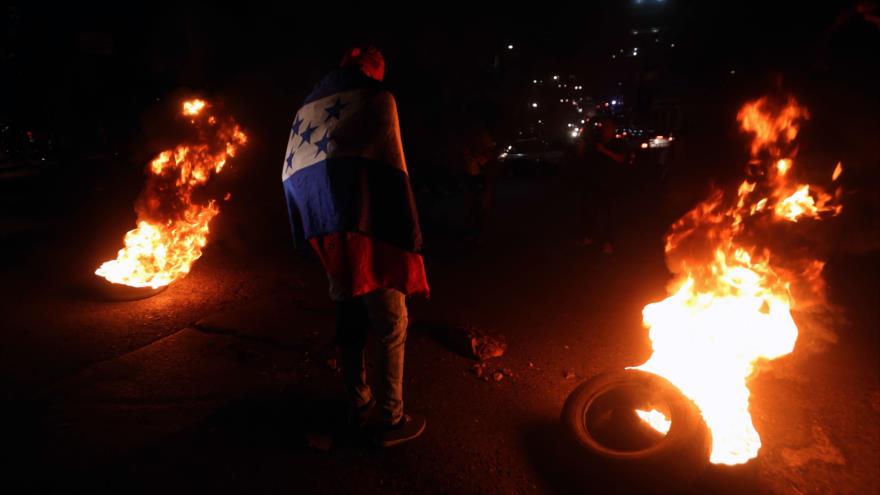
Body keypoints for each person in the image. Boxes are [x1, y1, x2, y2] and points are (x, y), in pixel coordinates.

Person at [281, 44, 429, 446]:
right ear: (374, 71)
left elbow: (292, 175)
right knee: (391, 325)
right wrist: (405, 231)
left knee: (349, 322)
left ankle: (357, 400)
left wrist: (311, 224)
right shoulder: (378, 99)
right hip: (369, 233)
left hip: (329, 236)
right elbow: (389, 170)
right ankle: (389, 417)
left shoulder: (307, 109)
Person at [577, 117, 629, 254]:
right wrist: (582, 147)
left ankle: (609, 242)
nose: (605, 131)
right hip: (595, 185)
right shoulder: (596, 144)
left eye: (608, 128)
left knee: (610, 216)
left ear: (612, 130)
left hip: (612, 186)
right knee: (590, 212)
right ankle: (589, 237)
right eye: (604, 128)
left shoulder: (618, 143)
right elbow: (584, 159)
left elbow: (620, 158)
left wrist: (604, 150)